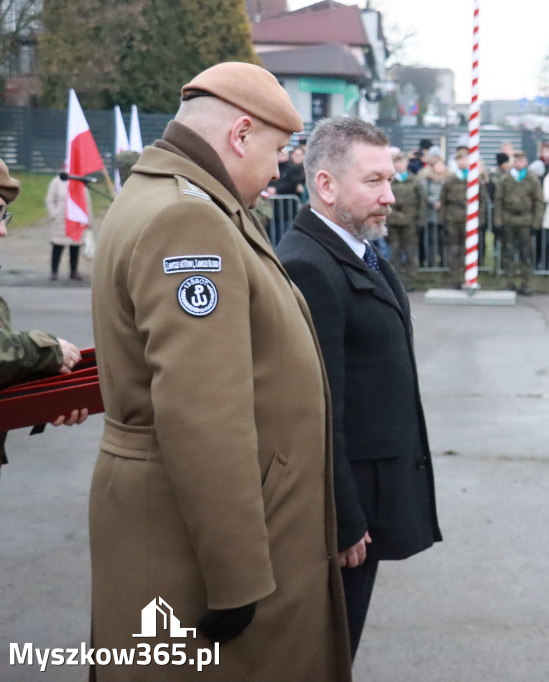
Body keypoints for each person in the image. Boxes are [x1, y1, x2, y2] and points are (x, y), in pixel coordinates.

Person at [89, 62, 351, 681]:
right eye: (276, 149)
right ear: (239, 134)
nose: (278, 169)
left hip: (176, 523)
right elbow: (203, 412)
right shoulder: (190, 220)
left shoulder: (172, 197)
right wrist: (237, 576)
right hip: (194, 550)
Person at [276, 117, 441, 656]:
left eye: (390, 180)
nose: (390, 196)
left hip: (368, 500)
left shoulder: (352, 250)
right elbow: (316, 410)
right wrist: (342, 520)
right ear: (325, 185)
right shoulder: (309, 265)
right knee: (323, 653)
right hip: (345, 516)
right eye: (373, 182)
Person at [0, 159, 88, 473]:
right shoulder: (57, 183)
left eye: (3, 215)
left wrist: (42, 396)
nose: (3, 230)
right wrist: (43, 352)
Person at [494, 149, 543, 294]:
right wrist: (498, 220)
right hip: (508, 220)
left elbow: (538, 201)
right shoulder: (505, 179)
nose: (518, 163)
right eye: (515, 160)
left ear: (526, 162)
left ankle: (525, 283)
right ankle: (509, 282)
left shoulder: (532, 179)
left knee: (526, 254)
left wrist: (536, 222)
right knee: (508, 253)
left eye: (521, 160)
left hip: (526, 220)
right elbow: (498, 201)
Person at [439, 148, 489, 287]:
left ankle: (469, 278)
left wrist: (480, 219)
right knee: (454, 249)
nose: (462, 162)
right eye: (460, 160)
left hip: (470, 220)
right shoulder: (450, 180)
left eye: (465, 159)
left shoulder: (475, 179)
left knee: (469, 249)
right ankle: (454, 278)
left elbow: (482, 201)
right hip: (453, 219)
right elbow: (444, 201)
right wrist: (443, 219)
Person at [386, 150, 425, 290]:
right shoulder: (388, 181)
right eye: (396, 163)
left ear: (406, 163)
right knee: (394, 252)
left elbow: (422, 201)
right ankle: (397, 281)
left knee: (410, 252)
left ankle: (409, 281)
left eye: (402, 162)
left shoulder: (414, 181)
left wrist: (421, 221)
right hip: (393, 222)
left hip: (410, 222)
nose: (399, 166)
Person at [45, 172, 89, 281]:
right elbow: (50, 200)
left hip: (75, 220)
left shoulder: (80, 182)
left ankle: (74, 271)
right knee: (57, 246)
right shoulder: (56, 182)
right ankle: (54, 271)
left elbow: (86, 201)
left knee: (75, 247)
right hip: (60, 219)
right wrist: (54, 213)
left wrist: (87, 219)